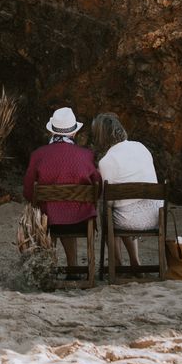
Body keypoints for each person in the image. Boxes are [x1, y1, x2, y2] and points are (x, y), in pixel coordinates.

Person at [22, 107, 101, 270]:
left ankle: (49, 267)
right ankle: (73, 268)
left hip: (47, 221)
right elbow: (97, 187)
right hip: (80, 220)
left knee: (53, 213)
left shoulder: (39, 154)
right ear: (73, 133)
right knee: (69, 212)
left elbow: (28, 191)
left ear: (52, 132)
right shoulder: (86, 155)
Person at [92, 111, 163, 271]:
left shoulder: (106, 161)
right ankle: (135, 261)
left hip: (128, 221)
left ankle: (117, 262)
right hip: (155, 215)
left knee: (108, 211)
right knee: (124, 208)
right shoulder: (141, 147)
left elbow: (109, 202)